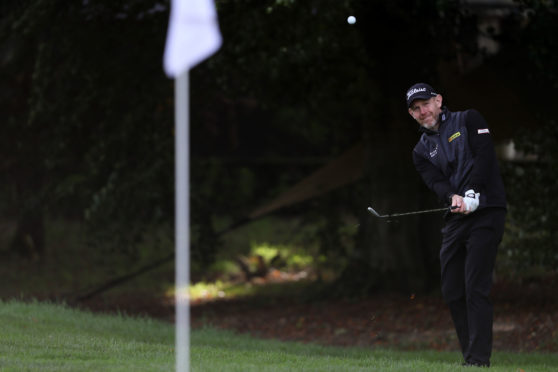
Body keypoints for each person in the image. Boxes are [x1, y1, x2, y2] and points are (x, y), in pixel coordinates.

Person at [406, 83, 507, 367]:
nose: (422, 111)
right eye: (415, 109)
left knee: (475, 285)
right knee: (452, 289)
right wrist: (452, 197)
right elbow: (435, 182)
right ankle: (469, 355)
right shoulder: (420, 150)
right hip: (456, 217)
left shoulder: (469, 119)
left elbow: (485, 155)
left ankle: (477, 360)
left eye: (425, 103)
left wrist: (473, 191)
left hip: (487, 210)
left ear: (438, 101)